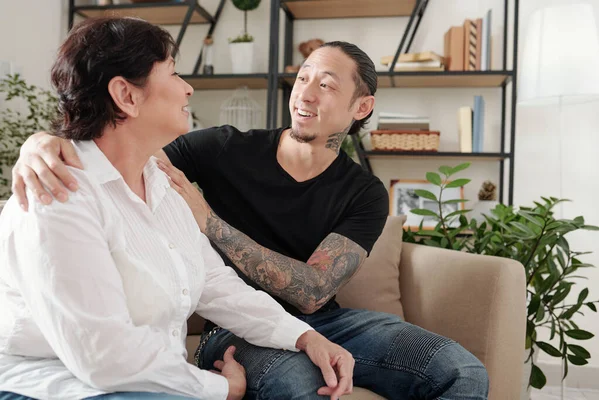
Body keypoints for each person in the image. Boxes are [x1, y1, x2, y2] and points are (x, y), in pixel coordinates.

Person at [11, 37, 490, 398]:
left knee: (463, 371)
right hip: (232, 329)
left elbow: (311, 292)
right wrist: (45, 143)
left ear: (361, 107)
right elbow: (127, 152)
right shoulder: (221, 147)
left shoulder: (363, 191)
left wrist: (209, 222)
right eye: (303, 77)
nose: (306, 92)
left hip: (323, 321)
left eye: (326, 85)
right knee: (301, 383)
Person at [0, 17, 356, 400]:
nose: (187, 88)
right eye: (173, 73)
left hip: (148, 384)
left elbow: (215, 284)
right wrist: (223, 388)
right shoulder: (57, 192)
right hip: (58, 388)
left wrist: (305, 336)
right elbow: (103, 359)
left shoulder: (161, 182)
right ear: (126, 95)